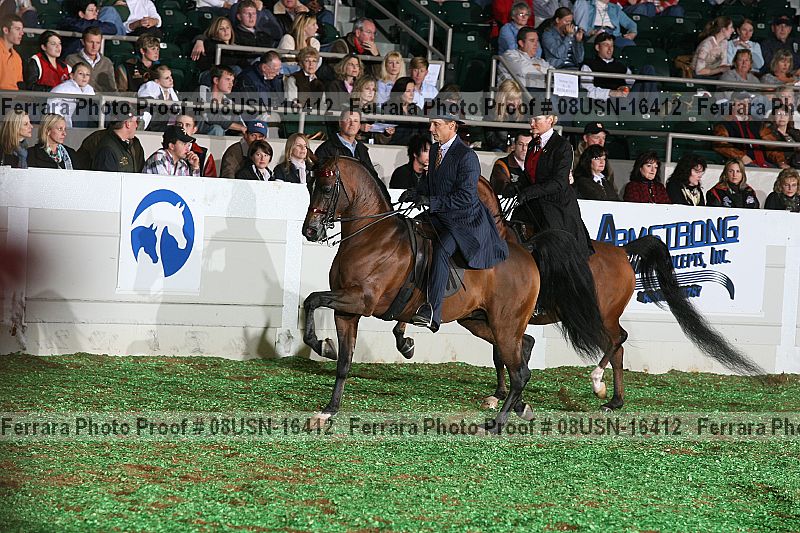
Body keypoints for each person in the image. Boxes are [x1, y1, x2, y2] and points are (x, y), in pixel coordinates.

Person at [397, 112, 509, 331]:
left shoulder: (467, 156)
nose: (431, 129)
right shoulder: (436, 149)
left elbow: (465, 197)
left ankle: (433, 312)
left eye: (436, 124)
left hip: (463, 222)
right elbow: (433, 183)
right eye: (431, 124)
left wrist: (431, 201)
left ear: (451, 126)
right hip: (440, 215)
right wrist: (416, 192)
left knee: (441, 250)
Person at [511, 113, 594, 258]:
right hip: (535, 202)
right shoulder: (533, 144)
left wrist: (531, 192)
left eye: (536, 119)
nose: (532, 123)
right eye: (531, 120)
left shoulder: (562, 146)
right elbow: (530, 174)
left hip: (556, 205)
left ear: (550, 120)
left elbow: (559, 182)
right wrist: (516, 187)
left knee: (551, 247)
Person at [713, 92, 771, 168]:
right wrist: (741, 156)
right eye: (741, 101)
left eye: (748, 101)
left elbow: (771, 143)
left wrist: (781, 161)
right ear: (733, 104)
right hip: (738, 164)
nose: (745, 104)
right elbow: (721, 144)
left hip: (762, 162)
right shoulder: (724, 123)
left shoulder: (758, 123)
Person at [315, 110, 379, 179]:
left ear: (359, 126)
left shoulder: (362, 149)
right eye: (348, 120)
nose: (352, 124)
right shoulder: (326, 149)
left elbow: (372, 176)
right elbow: (321, 177)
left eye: (356, 121)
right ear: (340, 123)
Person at [579, 32, 639, 100]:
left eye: (612, 45)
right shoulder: (588, 65)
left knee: (647, 71)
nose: (610, 48)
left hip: (624, 100)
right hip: (601, 101)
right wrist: (610, 93)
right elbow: (587, 90)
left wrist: (626, 88)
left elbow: (632, 85)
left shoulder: (622, 66)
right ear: (598, 47)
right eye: (606, 45)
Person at [498, 26, 552, 90]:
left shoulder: (540, 61)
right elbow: (523, 70)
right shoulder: (510, 55)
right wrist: (545, 74)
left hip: (540, 92)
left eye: (537, 41)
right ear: (521, 43)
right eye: (532, 41)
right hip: (516, 92)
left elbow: (554, 73)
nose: (536, 44)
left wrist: (539, 67)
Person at [65, 26, 117, 93]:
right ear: (83, 42)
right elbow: (68, 84)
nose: (94, 46)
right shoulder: (72, 60)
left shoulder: (106, 62)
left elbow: (112, 89)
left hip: (103, 98)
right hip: (80, 97)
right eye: (90, 42)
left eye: (97, 43)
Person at [198, 65, 246, 136]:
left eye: (232, 80)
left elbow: (241, 124)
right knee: (217, 129)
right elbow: (208, 116)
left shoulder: (229, 102)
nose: (231, 84)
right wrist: (240, 128)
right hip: (196, 135)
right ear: (216, 80)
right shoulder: (203, 90)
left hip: (219, 136)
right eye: (227, 79)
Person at [573, 0, 638, 49]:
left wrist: (633, 32)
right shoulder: (586, 5)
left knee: (629, 45)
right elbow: (581, 25)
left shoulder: (615, 8)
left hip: (613, 35)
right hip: (596, 34)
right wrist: (592, 32)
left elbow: (630, 23)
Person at [483, 79, 527, 152]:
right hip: (498, 148)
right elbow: (490, 138)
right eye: (511, 99)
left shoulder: (523, 112)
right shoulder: (491, 112)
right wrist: (506, 147)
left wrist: (517, 146)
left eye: (518, 99)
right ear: (503, 98)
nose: (515, 103)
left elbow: (525, 134)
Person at [378, 76, 423, 146]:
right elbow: (384, 133)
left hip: (414, 148)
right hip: (394, 147)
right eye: (408, 91)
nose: (412, 94)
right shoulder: (388, 108)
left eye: (413, 91)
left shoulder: (416, 109)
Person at [48, 62, 95, 128]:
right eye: (80, 73)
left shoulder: (89, 89)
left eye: (87, 74)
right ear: (72, 75)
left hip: (86, 121)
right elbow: (52, 109)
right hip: (67, 123)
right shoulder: (62, 88)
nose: (84, 77)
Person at [489, 130, 530, 196]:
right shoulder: (501, 165)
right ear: (514, 145)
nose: (524, 148)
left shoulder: (536, 163)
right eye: (520, 144)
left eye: (528, 145)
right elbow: (503, 191)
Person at [760, 102, 800, 169]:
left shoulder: (795, 132)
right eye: (779, 114)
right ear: (773, 117)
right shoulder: (767, 132)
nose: (782, 117)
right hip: (785, 164)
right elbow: (772, 152)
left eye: (785, 114)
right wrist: (781, 162)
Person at [0, 14, 23, 91]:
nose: (21, 33)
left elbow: (19, 84)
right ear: (6, 30)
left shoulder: (17, 57)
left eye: (22, 30)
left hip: (14, 96)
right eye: (17, 29)